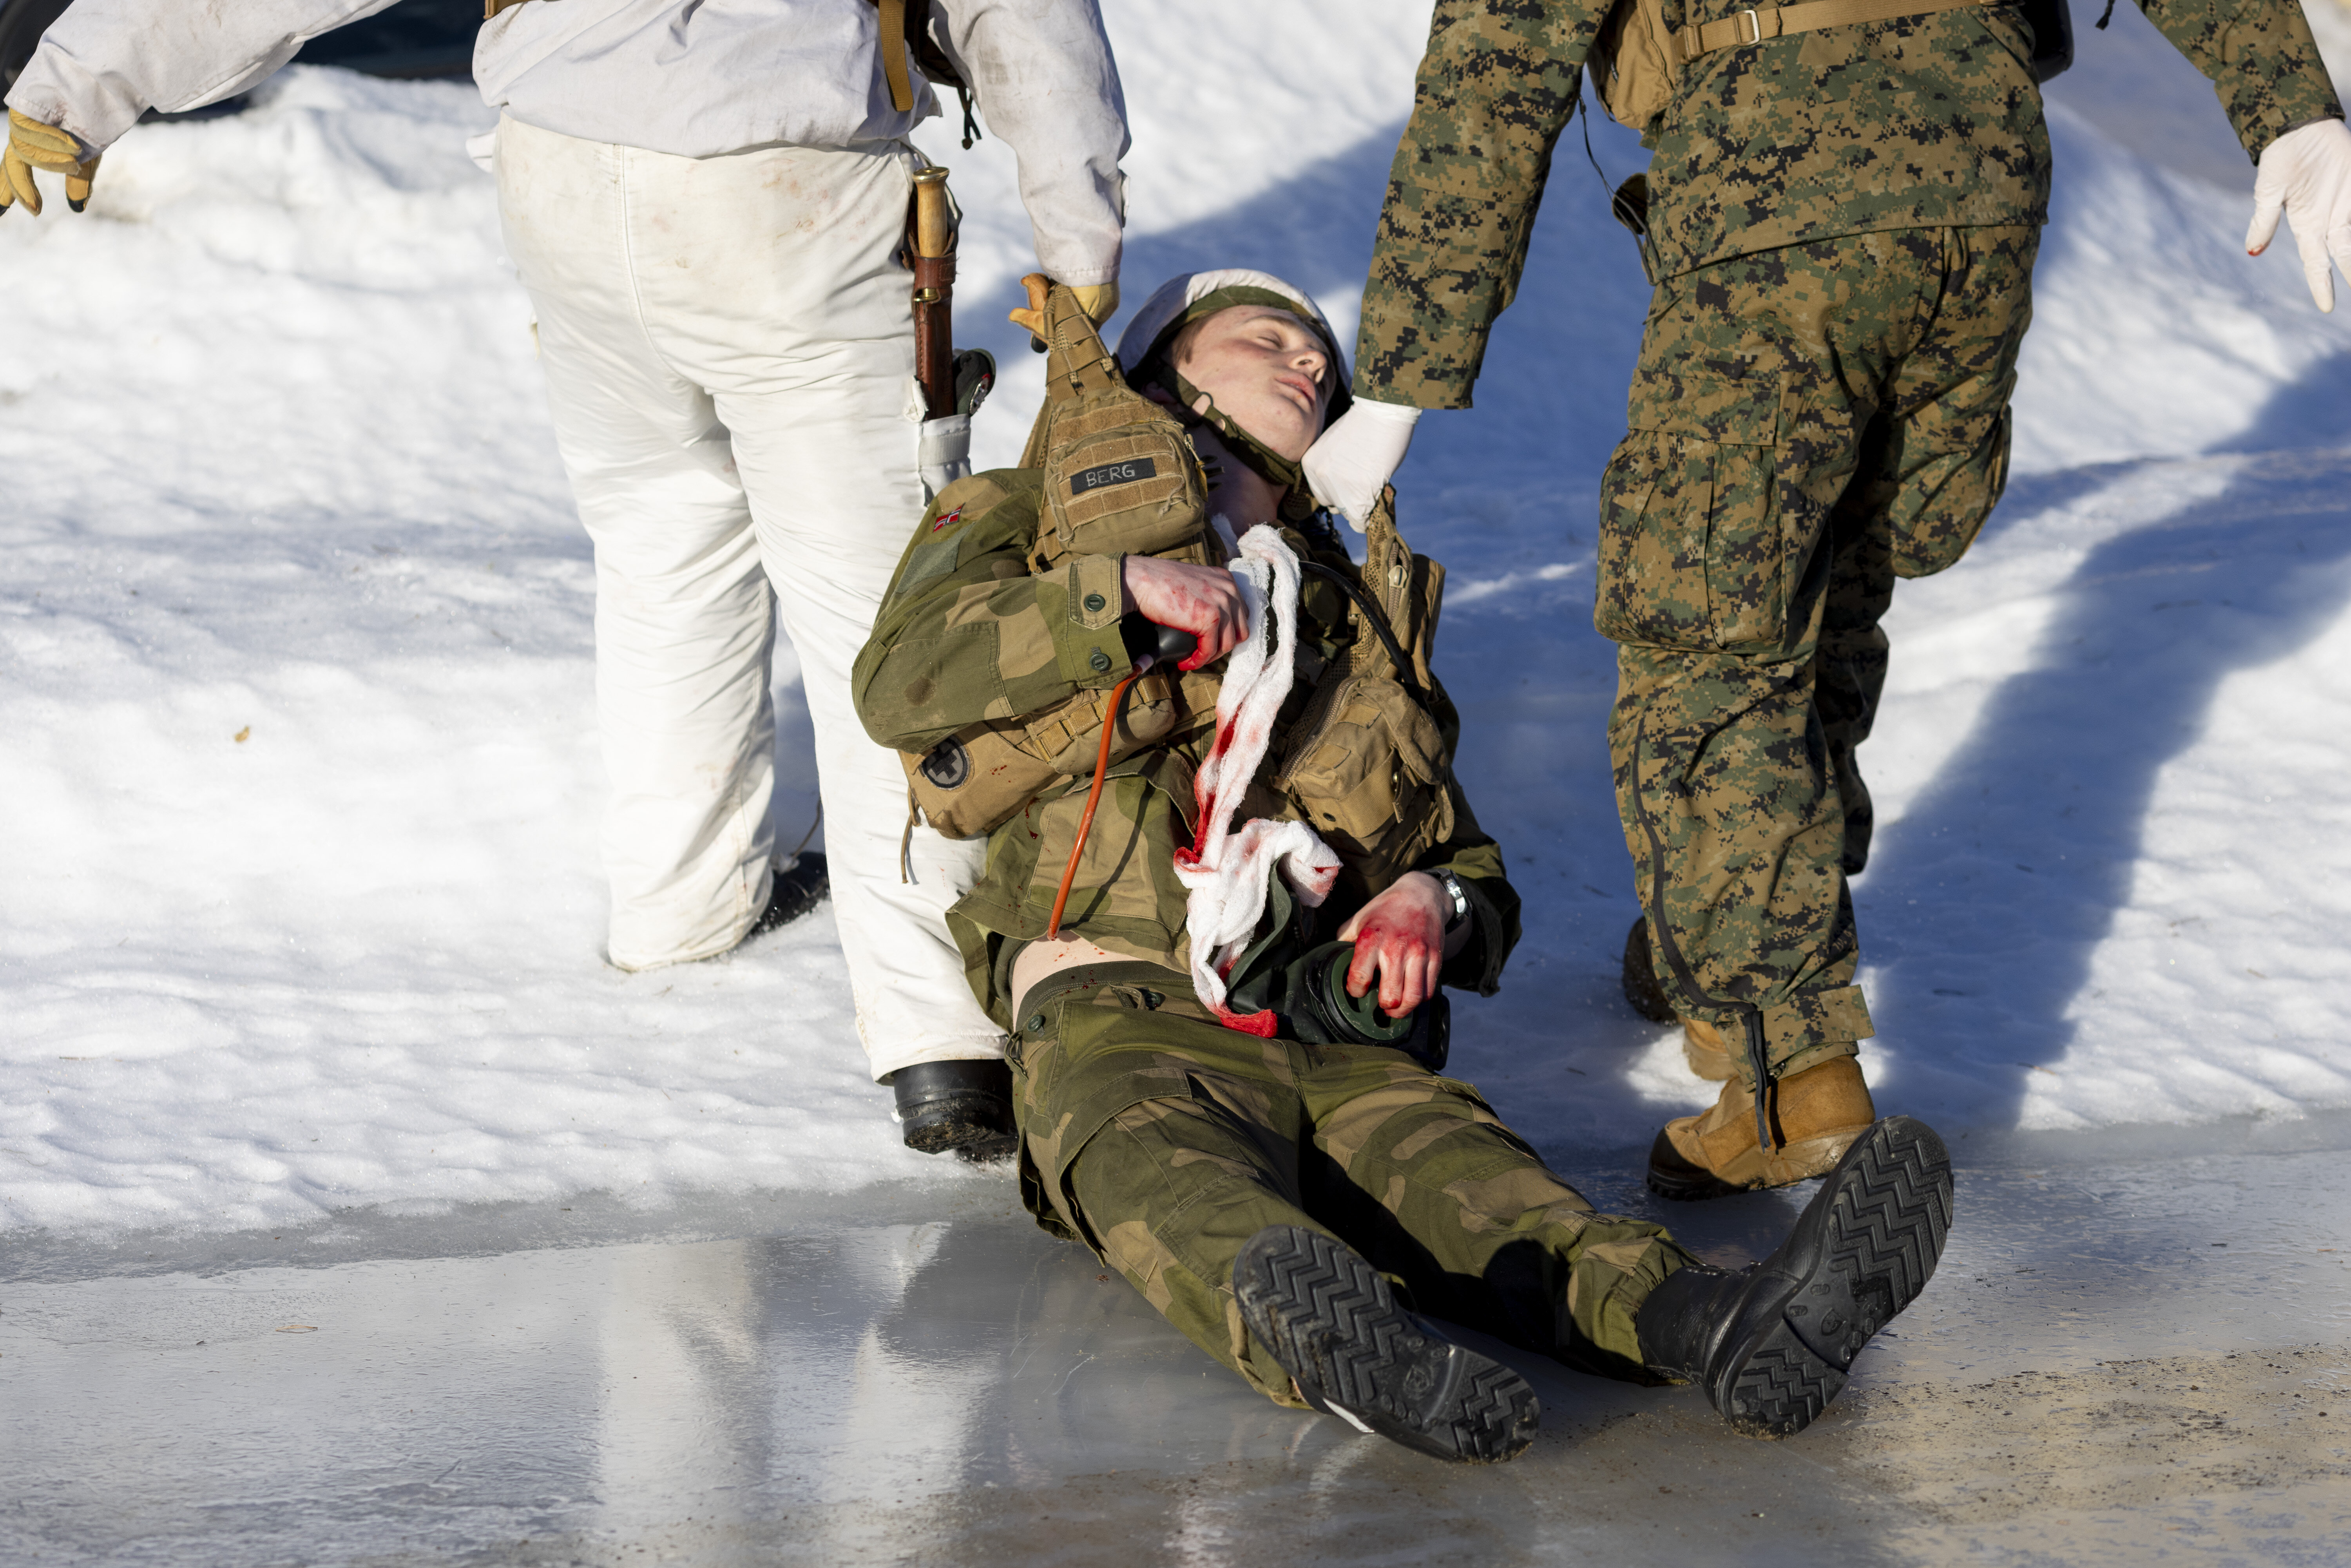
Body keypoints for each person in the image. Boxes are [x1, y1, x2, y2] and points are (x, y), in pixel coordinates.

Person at [849, 270, 1956, 1463]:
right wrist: (1113, 596)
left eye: (1321, 360)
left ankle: (1725, 1322)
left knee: (1493, 1197)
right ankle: (1354, 1344)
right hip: (1120, 1007)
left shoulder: (1347, 616)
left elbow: (1468, 860)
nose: (1308, 366)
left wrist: (1434, 901)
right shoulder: (1027, 515)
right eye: (1264, 338)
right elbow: (900, 678)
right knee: (1167, 1181)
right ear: (1164, 364)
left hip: (1325, 1025)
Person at [2, 0, 1132, 1155]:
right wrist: (1079, 240)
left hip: (568, 174)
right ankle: (938, 1035)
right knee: (881, 613)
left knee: (662, 549)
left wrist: (72, 86)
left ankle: (678, 908)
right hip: (781, 183)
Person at [1301, 0, 2351, 1200]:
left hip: (1774, 165)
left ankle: (1783, 1073)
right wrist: (2289, 104)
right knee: (1838, 564)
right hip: (1981, 156)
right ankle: (1734, 924)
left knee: (1709, 632)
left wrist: (1399, 376)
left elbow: (1500, 65)